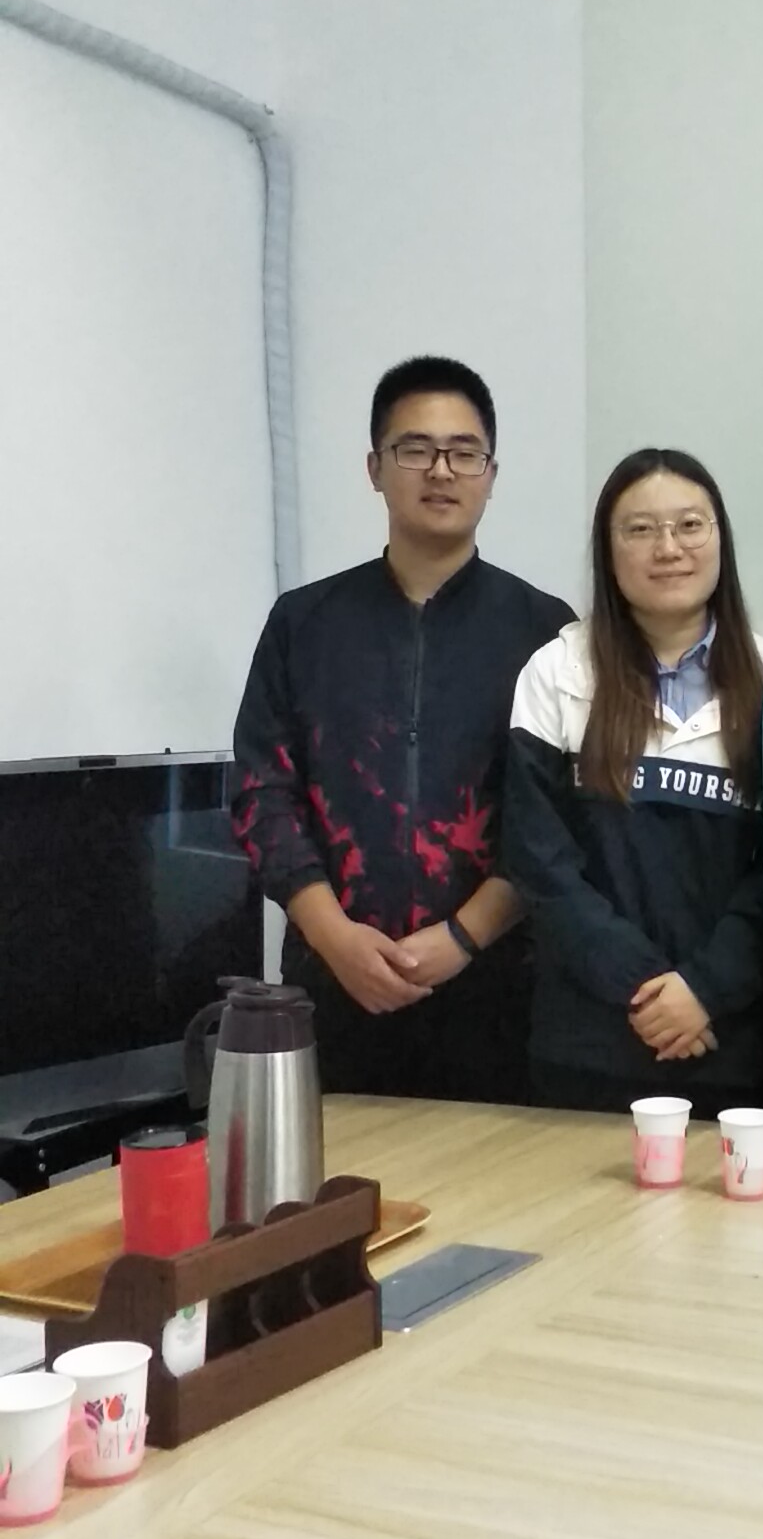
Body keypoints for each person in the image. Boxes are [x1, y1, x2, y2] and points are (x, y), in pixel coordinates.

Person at [230, 357, 575, 1101]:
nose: (441, 470)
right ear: (375, 468)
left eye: (464, 452)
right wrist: (334, 937)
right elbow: (261, 795)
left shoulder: (547, 633)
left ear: (491, 473)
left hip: (499, 988)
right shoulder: (304, 623)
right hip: (334, 983)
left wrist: (461, 939)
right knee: (335, 1172)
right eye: (415, 449)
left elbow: (557, 817)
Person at [502, 450, 763, 1115]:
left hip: (734, 1046)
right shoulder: (557, 674)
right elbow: (539, 862)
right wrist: (645, 988)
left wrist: (704, 991)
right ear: (608, 550)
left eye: (690, 525)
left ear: (720, 539)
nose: (668, 549)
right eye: (640, 529)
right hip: (587, 1048)